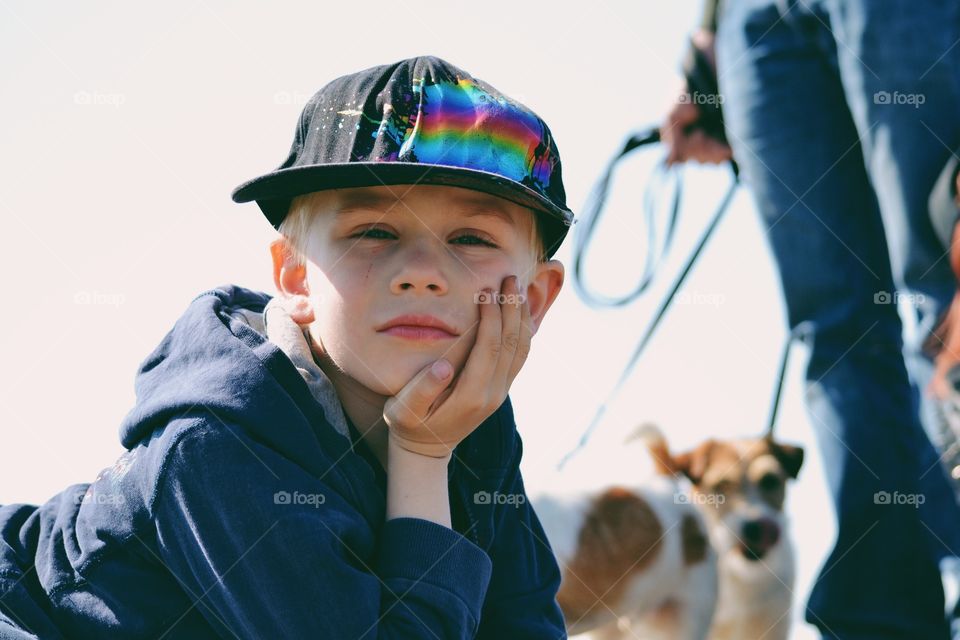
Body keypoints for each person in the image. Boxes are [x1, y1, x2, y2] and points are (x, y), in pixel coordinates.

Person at [0, 56, 570, 639]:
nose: (422, 272)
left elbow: (524, 622)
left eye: (471, 238)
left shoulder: (476, 421)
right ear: (296, 276)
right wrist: (422, 459)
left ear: (533, 297)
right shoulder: (216, 447)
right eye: (374, 232)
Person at [661, 1, 960, 638]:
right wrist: (706, 38)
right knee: (835, 331)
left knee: (947, 275)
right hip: (753, 23)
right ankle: (884, 615)